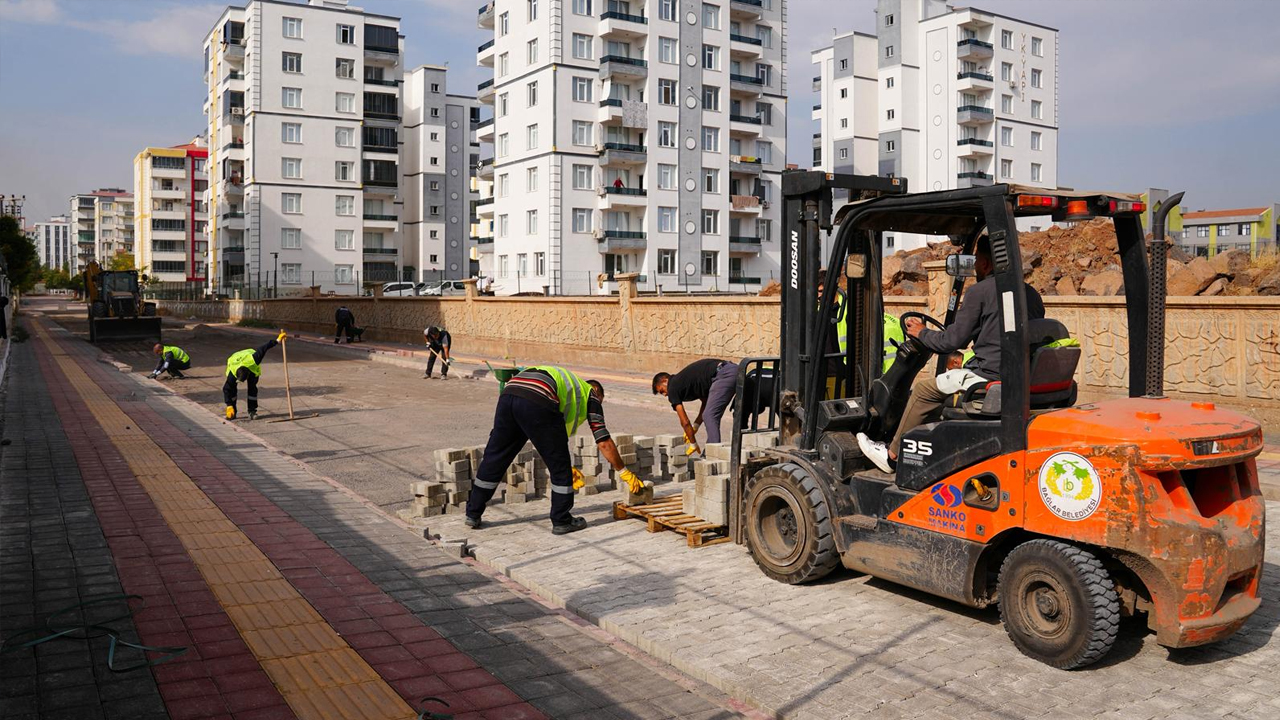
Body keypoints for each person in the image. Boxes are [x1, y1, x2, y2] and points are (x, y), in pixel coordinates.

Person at [857, 237, 1045, 473]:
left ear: (986, 264)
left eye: (976, 261)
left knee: (924, 392)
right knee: (942, 388)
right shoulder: (1031, 294)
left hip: (990, 378)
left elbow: (953, 341)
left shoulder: (981, 292)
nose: (975, 266)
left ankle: (892, 456)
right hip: (1018, 377)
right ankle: (929, 448)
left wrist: (921, 332)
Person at [465, 365, 644, 534]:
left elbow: (544, 437)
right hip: (537, 398)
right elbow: (603, 440)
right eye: (600, 401)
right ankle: (562, 520)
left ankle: (473, 513)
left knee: (495, 457)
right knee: (561, 466)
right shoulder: (590, 394)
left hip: (510, 393)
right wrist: (624, 471)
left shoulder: (567, 386)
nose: (598, 405)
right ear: (597, 393)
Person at [652, 358, 740, 456]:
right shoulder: (686, 382)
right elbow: (705, 403)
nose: (664, 394)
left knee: (710, 416)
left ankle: (714, 456)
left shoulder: (672, 387)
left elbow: (685, 422)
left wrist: (693, 443)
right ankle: (710, 454)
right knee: (712, 415)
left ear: (665, 380)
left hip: (724, 374)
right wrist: (696, 426)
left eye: (662, 390)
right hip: (733, 370)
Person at [223, 330, 287, 420]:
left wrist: (277, 340)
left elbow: (264, 347)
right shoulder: (232, 373)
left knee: (252, 388)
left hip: (250, 361)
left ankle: (252, 411)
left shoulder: (254, 358)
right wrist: (229, 405)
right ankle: (232, 411)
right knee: (231, 389)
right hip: (236, 358)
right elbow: (226, 389)